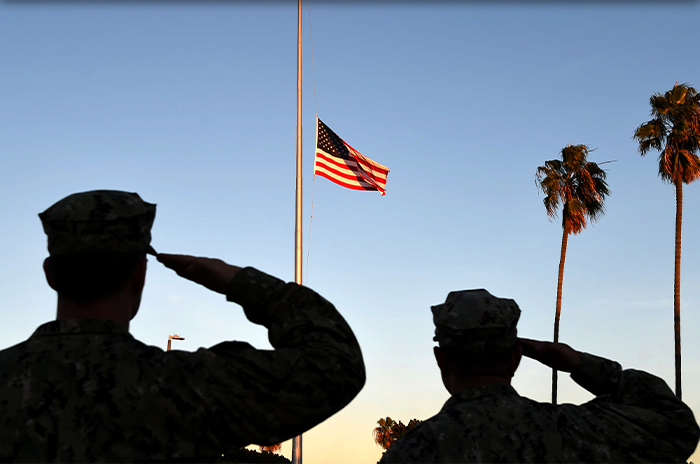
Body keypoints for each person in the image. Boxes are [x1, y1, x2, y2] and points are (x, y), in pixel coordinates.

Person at [0, 190, 366, 462]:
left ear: (50, 275)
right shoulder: (188, 387)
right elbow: (334, 364)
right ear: (140, 275)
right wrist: (238, 281)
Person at [380, 289, 700, 463]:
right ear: (517, 358)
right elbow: (676, 425)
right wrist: (580, 363)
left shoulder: (413, 451)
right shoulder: (573, 430)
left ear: (440, 360)